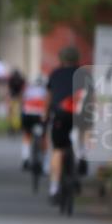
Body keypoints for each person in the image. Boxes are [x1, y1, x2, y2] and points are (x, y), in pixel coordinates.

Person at [44, 46, 82, 203]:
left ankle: (54, 189)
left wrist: (45, 115)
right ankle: (80, 163)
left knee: (58, 150)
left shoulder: (55, 74)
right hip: (79, 114)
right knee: (80, 138)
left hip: (59, 114)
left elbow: (49, 97)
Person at [19, 74, 47, 169]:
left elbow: (22, 102)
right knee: (44, 137)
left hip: (28, 114)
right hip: (40, 115)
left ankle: (25, 158)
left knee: (27, 135)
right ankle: (45, 163)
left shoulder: (28, 89)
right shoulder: (46, 90)